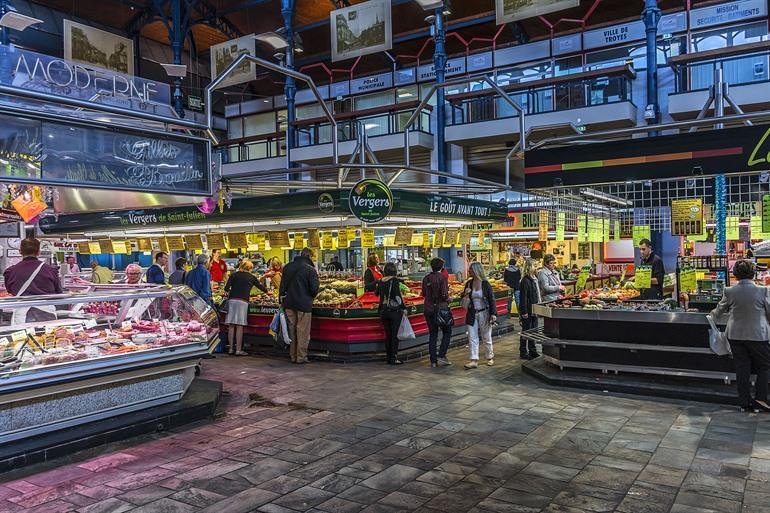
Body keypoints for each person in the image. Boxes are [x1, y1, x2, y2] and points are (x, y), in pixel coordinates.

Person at [710, 260, 770, 413]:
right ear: (753, 273)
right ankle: (761, 399)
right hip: (758, 335)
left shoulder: (729, 291)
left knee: (742, 368)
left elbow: (717, 312)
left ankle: (744, 402)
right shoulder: (763, 290)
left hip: (735, 335)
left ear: (735, 274)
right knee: (764, 366)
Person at [4, 238, 63, 324]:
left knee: (23, 337)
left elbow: (10, 291)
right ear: (39, 252)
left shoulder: (11, 271)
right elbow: (58, 292)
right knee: (48, 336)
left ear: (20, 251)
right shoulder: (50, 270)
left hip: (21, 314)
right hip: (47, 313)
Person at [280, 248, 320, 364]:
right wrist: (311, 296)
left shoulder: (288, 267)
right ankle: (301, 357)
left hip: (289, 303)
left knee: (292, 330)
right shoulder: (310, 269)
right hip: (304, 303)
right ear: (309, 256)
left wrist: (280, 300)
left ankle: (293, 355)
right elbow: (314, 289)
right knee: (302, 331)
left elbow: (282, 286)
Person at [224, 259, 266, 356]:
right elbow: (263, 289)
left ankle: (230, 349)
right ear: (250, 268)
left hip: (232, 300)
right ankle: (238, 350)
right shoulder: (251, 277)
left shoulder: (233, 275)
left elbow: (226, 288)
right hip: (242, 301)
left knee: (231, 325)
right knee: (239, 326)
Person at [462, 262, 498, 369]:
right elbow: (463, 298)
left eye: (471, 270)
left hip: (484, 313)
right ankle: (474, 359)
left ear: (476, 270)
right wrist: (465, 294)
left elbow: (492, 299)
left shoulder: (485, 284)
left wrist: (493, 313)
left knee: (486, 336)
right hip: (472, 313)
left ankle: (489, 357)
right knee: (472, 336)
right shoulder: (468, 283)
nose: (469, 271)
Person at [422, 257, 452, 368]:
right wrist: (449, 299)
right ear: (441, 267)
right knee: (447, 331)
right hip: (441, 309)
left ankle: (433, 361)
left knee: (433, 334)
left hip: (428, 309)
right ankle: (442, 355)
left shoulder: (426, 278)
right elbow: (444, 295)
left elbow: (423, 293)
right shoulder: (442, 278)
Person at [375, 262, 406, 365]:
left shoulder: (380, 281)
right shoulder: (394, 281)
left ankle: (388, 357)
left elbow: (376, 293)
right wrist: (403, 307)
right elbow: (397, 296)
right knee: (394, 335)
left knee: (388, 335)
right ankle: (393, 358)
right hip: (394, 311)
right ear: (394, 270)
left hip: (383, 311)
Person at [518, 258, 541, 360]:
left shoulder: (534, 278)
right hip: (528, 310)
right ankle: (523, 351)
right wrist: (524, 312)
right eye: (534, 266)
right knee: (526, 331)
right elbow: (523, 298)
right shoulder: (525, 281)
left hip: (534, 309)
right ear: (529, 267)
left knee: (533, 331)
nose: (537, 268)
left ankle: (532, 350)